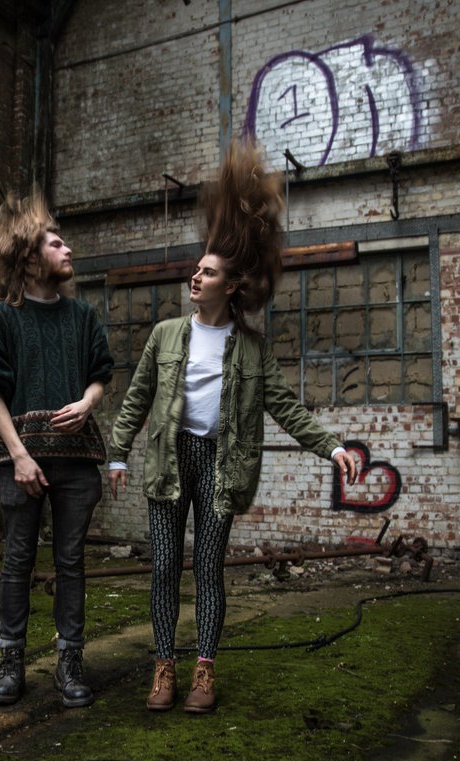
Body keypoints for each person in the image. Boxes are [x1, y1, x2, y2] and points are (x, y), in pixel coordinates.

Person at [107, 139, 358, 714]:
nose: (196, 277)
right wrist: (118, 453)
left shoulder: (250, 347)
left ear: (232, 285)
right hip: (170, 462)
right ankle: (164, 668)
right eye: (196, 269)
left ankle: (204, 672)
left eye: (208, 271)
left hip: (222, 465)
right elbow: (137, 397)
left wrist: (333, 446)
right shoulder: (167, 335)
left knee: (210, 569)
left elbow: (286, 408)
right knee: (167, 566)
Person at [0, 190, 113, 708]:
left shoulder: (82, 317)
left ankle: (69, 663)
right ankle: (10, 663)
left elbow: (102, 373)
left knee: (71, 561)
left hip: (77, 463)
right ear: (30, 258)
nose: (68, 249)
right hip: (21, 462)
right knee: (17, 561)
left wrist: (88, 402)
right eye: (57, 243)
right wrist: (19, 457)